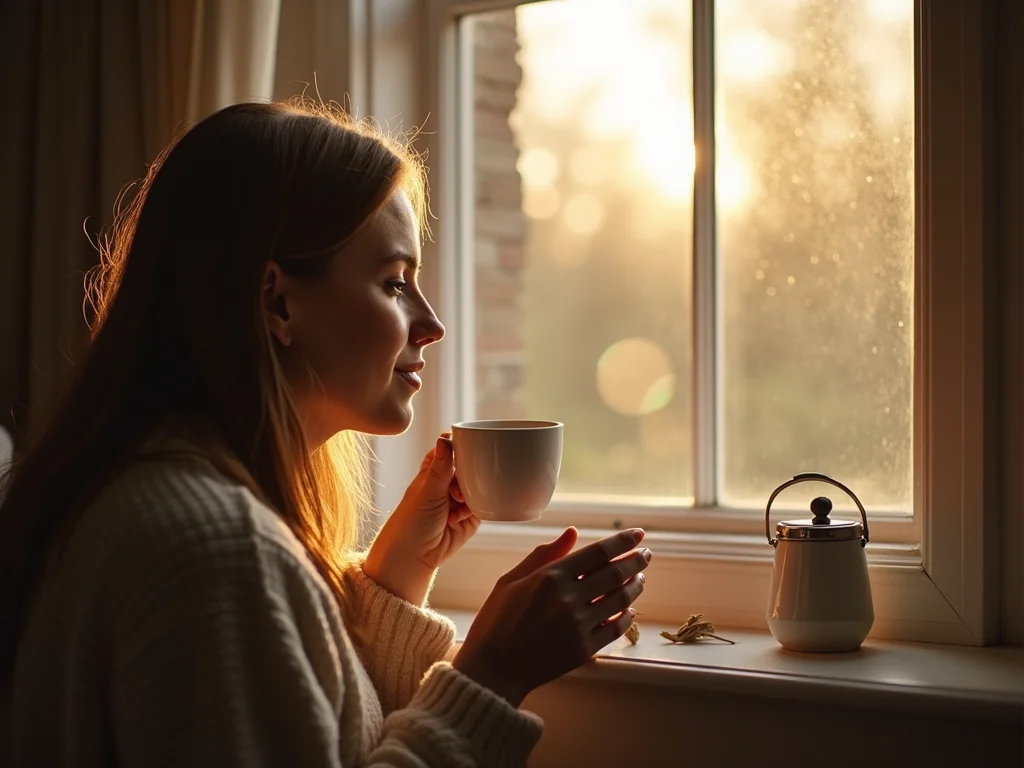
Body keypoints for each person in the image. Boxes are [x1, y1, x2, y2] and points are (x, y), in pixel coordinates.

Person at [0, 99, 652, 767]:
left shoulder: (143, 494)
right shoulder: (215, 549)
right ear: (278, 302)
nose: (432, 325)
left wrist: (394, 580)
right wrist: (492, 675)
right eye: (394, 283)